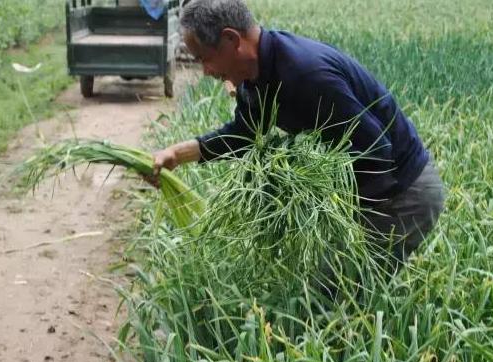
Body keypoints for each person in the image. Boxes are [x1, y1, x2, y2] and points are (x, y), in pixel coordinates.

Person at [149, 0, 445, 271]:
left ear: (231, 40)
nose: (206, 71)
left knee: (333, 294)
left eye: (204, 58)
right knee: (330, 287)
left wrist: (320, 202)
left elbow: (376, 151)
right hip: (377, 185)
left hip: (403, 193)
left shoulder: (306, 75)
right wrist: (175, 154)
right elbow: (244, 135)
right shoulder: (258, 75)